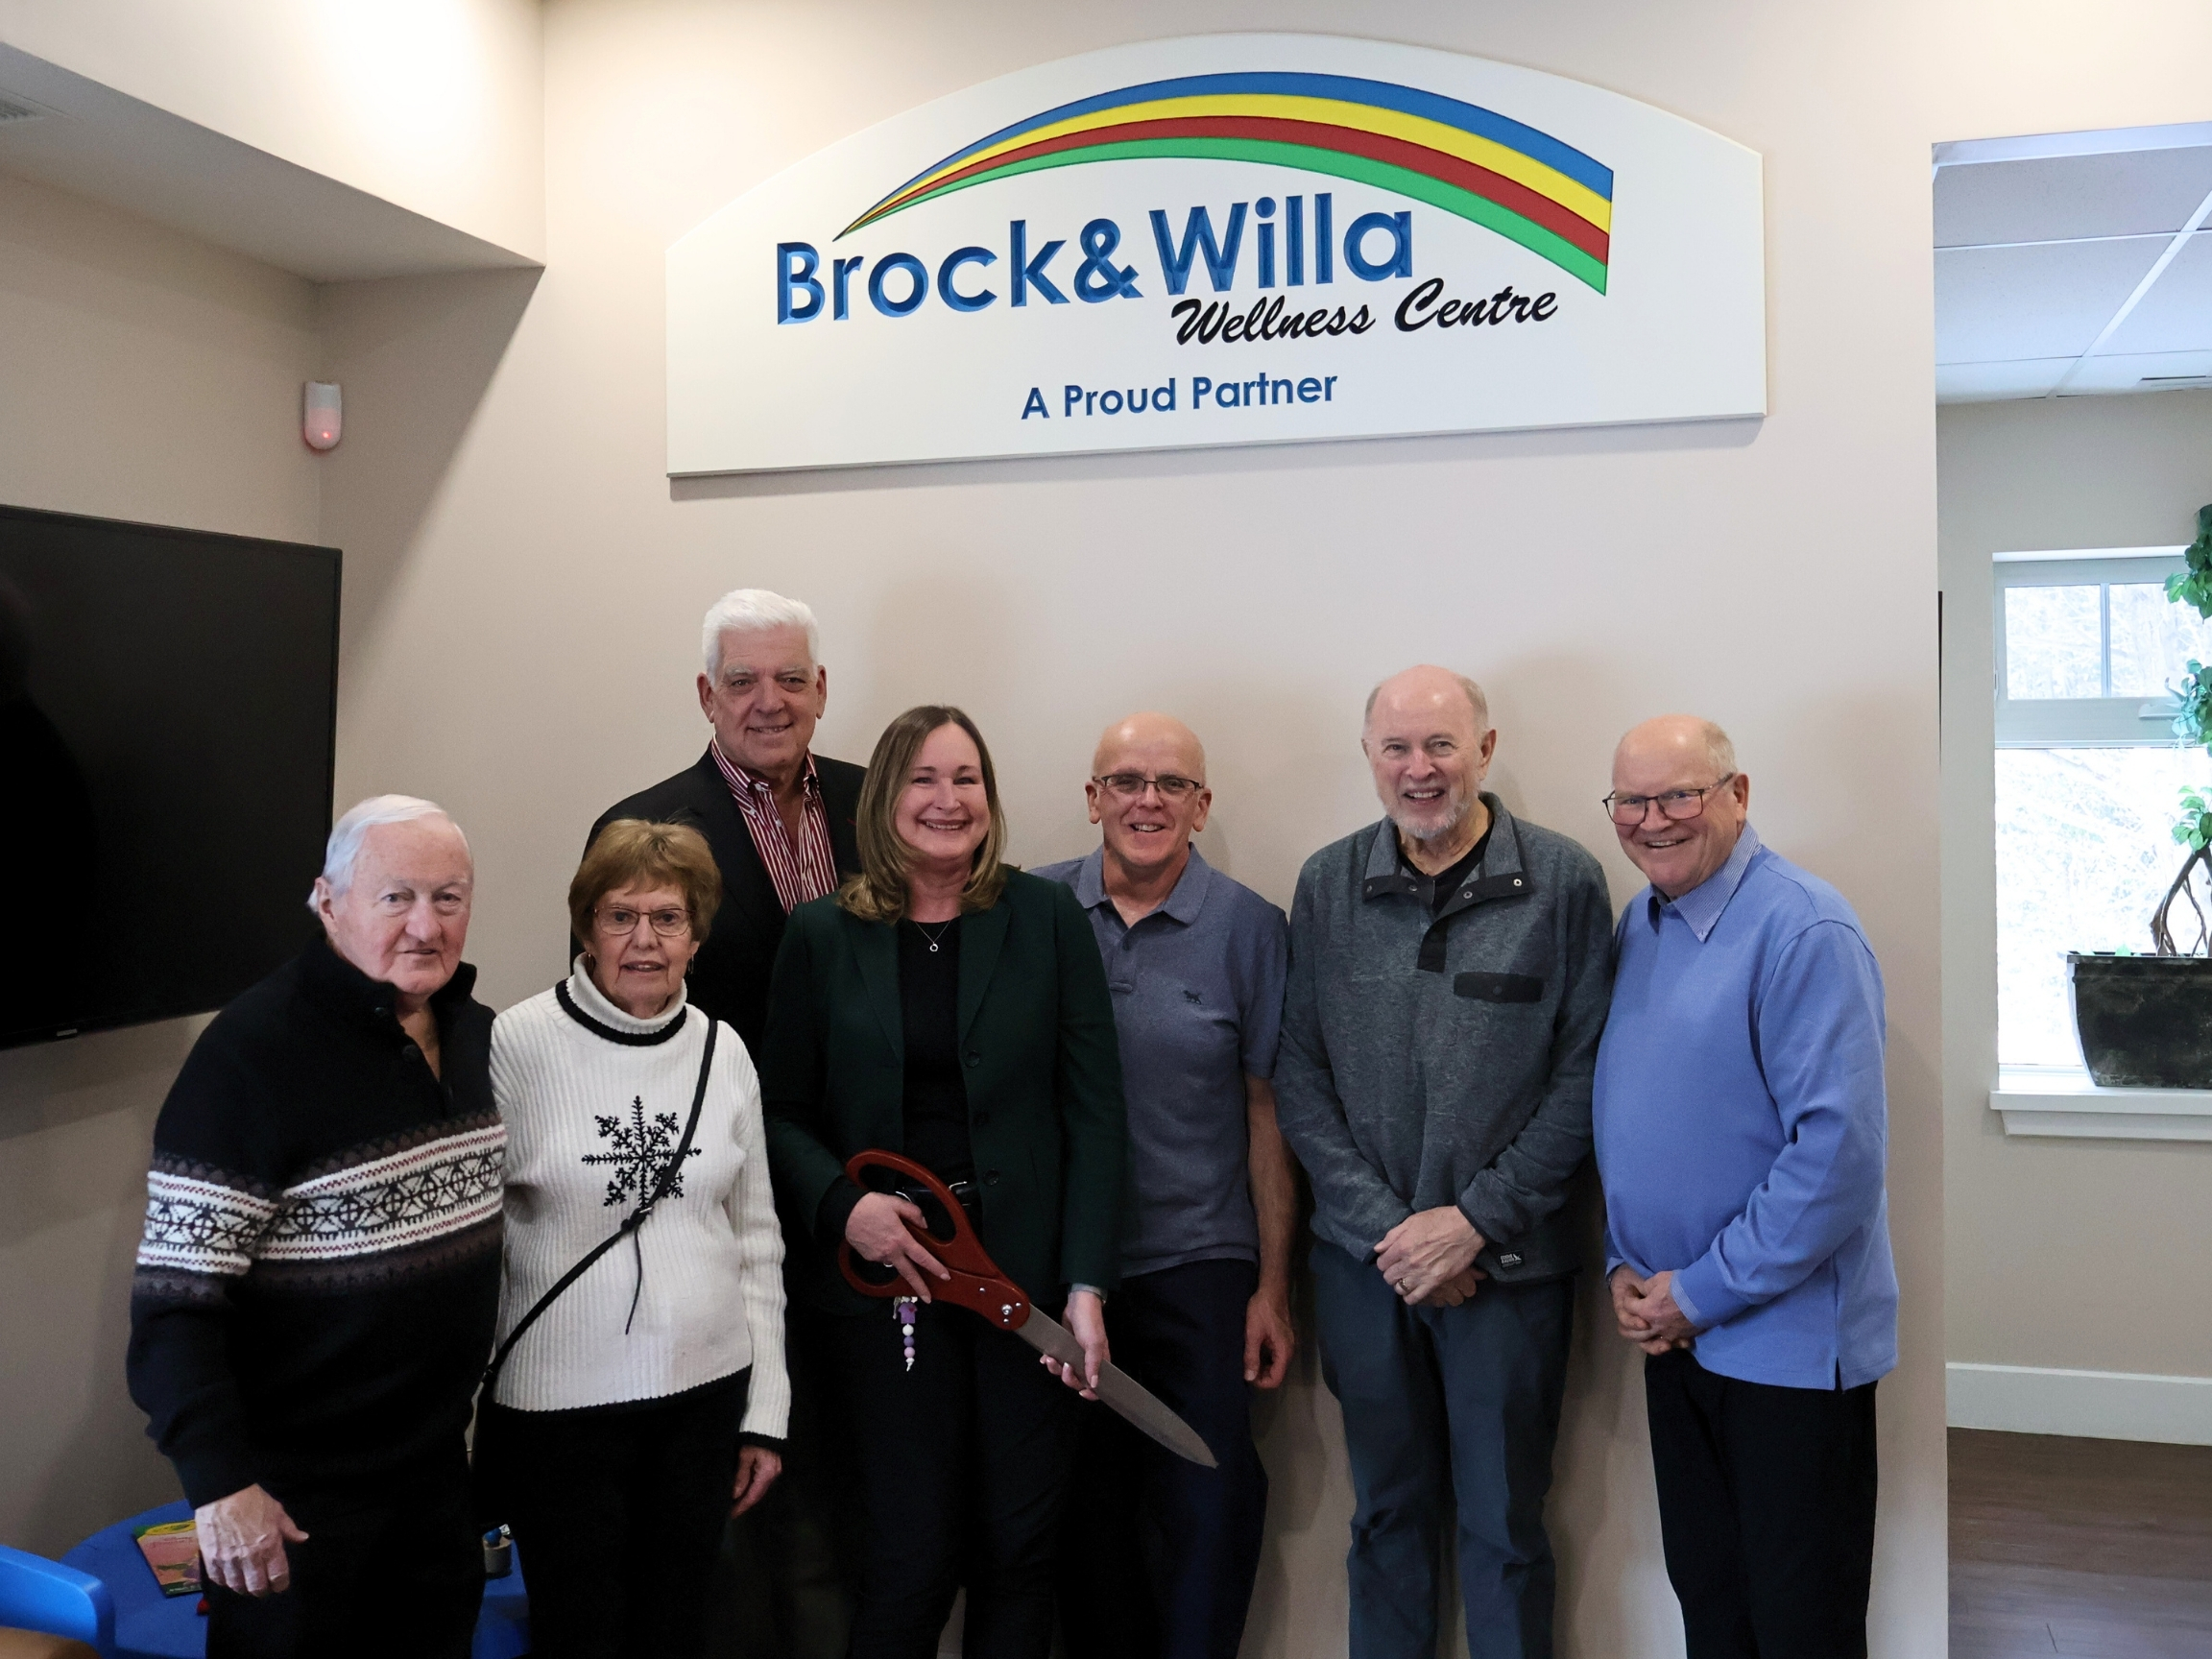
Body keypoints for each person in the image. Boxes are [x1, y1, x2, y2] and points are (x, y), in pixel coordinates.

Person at [760, 705, 1126, 1659]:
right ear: (885, 796)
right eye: (924, 778)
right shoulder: (822, 934)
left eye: (967, 779)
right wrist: (847, 1209)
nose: (947, 799)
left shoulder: (1045, 921)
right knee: (907, 1557)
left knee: (1019, 1549)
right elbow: (779, 1115)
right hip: (887, 1289)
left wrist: (1085, 1288)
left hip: (1025, 1286)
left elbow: (1093, 1115)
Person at [1273, 666, 1613, 1659]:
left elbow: (1586, 1079)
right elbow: (1300, 1074)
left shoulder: (1564, 882)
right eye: (1396, 748)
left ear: (1486, 750)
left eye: (1440, 746)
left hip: (1509, 1273)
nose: (1419, 769)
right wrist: (1394, 1233)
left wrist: (1472, 1223)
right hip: (1363, 1269)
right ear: (1370, 758)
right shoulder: (1326, 885)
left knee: (1506, 1528)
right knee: (1384, 1516)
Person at [127, 796, 503, 1659]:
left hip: (436, 1481)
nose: (425, 925)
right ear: (327, 903)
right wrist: (222, 1487)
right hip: (295, 1506)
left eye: (449, 899)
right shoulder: (250, 1055)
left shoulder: (473, 1034)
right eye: (395, 897)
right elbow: (176, 1306)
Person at [586, 586, 862, 1659]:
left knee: (850, 1486)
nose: (768, 700)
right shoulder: (645, 827)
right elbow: (620, 1026)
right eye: (742, 680)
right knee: (743, 1500)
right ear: (705, 694)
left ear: (822, 690)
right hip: (715, 1210)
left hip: (861, 1204)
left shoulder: (874, 802)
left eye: (790, 677)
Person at [1594, 715, 1896, 1659]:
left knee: (1798, 1625)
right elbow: (1638, 1118)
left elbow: (1836, 1159)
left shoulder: (1804, 929)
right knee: (1714, 1613)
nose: (1654, 821)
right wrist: (1624, 1267)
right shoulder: (1639, 924)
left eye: (1679, 794)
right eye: (1632, 801)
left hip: (1786, 1354)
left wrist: (1697, 1292)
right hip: (1675, 1337)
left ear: (1738, 794)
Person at [474, 819, 789, 1659]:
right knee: (578, 1633)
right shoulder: (517, 1043)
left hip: (703, 1398)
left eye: (668, 918)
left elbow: (757, 1240)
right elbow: (477, 1241)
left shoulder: (726, 1053)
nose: (644, 940)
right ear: (585, 927)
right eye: (620, 916)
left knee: (676, 1629)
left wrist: (765, 1414)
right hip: (559, 1412)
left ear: (698, 934)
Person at [1037, 713, 1293, 1659]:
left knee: (1208, 1506)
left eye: (1172, 784)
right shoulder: (1032, 910)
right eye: (1128, 780)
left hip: (1199, 1264)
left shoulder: (1251, 929)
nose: (1149, 801)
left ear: (1202, 804)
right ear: (1093, 796)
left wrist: (1271, 1286)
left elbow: (1267, 1113)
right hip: (1061, 1267)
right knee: (1082, 1516)